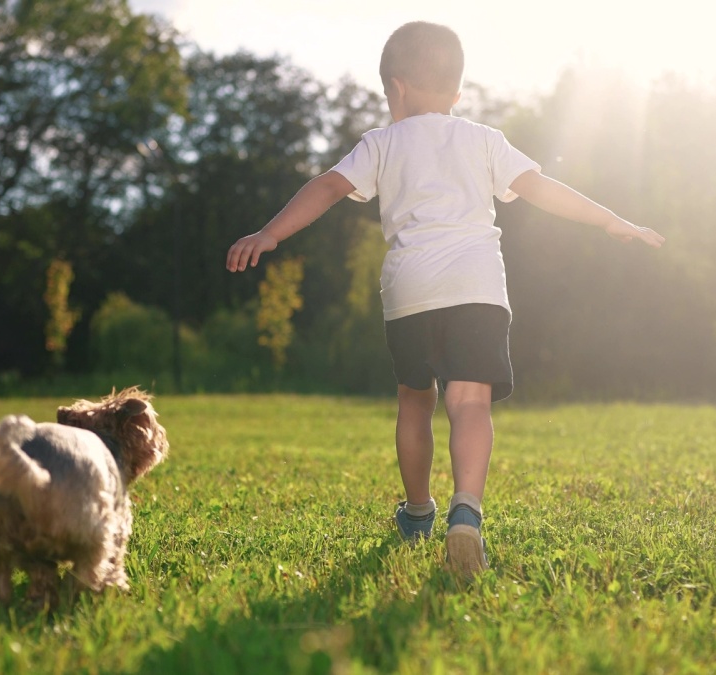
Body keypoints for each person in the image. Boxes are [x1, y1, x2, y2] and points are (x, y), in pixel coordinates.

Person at [226, 21, 664, 579]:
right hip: (477, 290)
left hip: (410, 293)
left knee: (416, 401)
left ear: (397, 88)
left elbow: (328, 186)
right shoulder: (482, 139)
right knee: (470, 404)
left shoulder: (381, 143)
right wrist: (610, 220)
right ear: (457, 94)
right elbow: (541, 189)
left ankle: (416, 512)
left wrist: (271, 233)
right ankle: (466, 510)